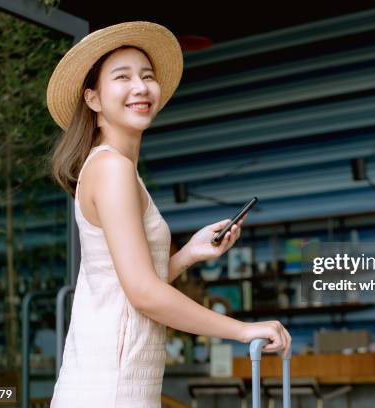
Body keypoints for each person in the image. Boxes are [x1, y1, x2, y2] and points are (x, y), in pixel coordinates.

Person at [46, 22, 290, 408]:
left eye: (147, 76)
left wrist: (189, 253)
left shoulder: (115, 168)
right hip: (111, 390)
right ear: (93, 99)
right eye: (122, 77)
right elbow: (143, 294)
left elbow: (124, 289)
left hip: (111, 382)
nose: (141, 87)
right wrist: (242, 330)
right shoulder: (113, 169)